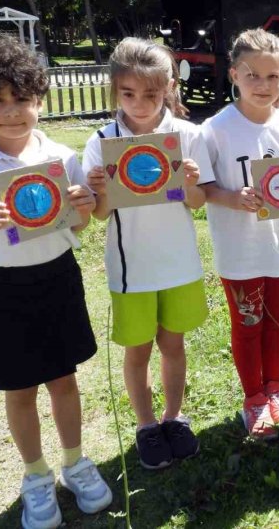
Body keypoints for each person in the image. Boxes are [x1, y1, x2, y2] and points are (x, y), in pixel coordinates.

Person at [0, 38, 111, 529]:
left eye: (22, 100)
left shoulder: (59, 155)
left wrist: (83, 206)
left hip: (57, 280)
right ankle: (36, 476)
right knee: (19, 389)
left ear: (40, 101)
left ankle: (76, 462)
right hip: (0, 289)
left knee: (64, 380)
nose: (11, 113)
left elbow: (81, 225)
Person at [83, 38, 212, 469]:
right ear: (114, 91)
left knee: (173, 344)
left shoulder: (187, 135)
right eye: (129, 93)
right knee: (137, 350)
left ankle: (174, 417)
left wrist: (192, 180)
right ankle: (145, 425)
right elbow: (100, 215)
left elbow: (196, 203)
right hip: (130, 270)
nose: (140, 104)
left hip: (178, 264)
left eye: (152, 94)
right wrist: (101, 190)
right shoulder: (102, 141)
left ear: (169, 88)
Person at [202, 28, 279, 439]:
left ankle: (275, 387)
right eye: (253, 75)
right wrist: (231, 198)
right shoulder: (215, 129)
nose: (263, 85)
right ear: (234, 74)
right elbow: (202, 190)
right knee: (247, 322)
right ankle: (253, 398)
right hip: (240, 251)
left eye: (273, 76)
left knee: (277, 320)